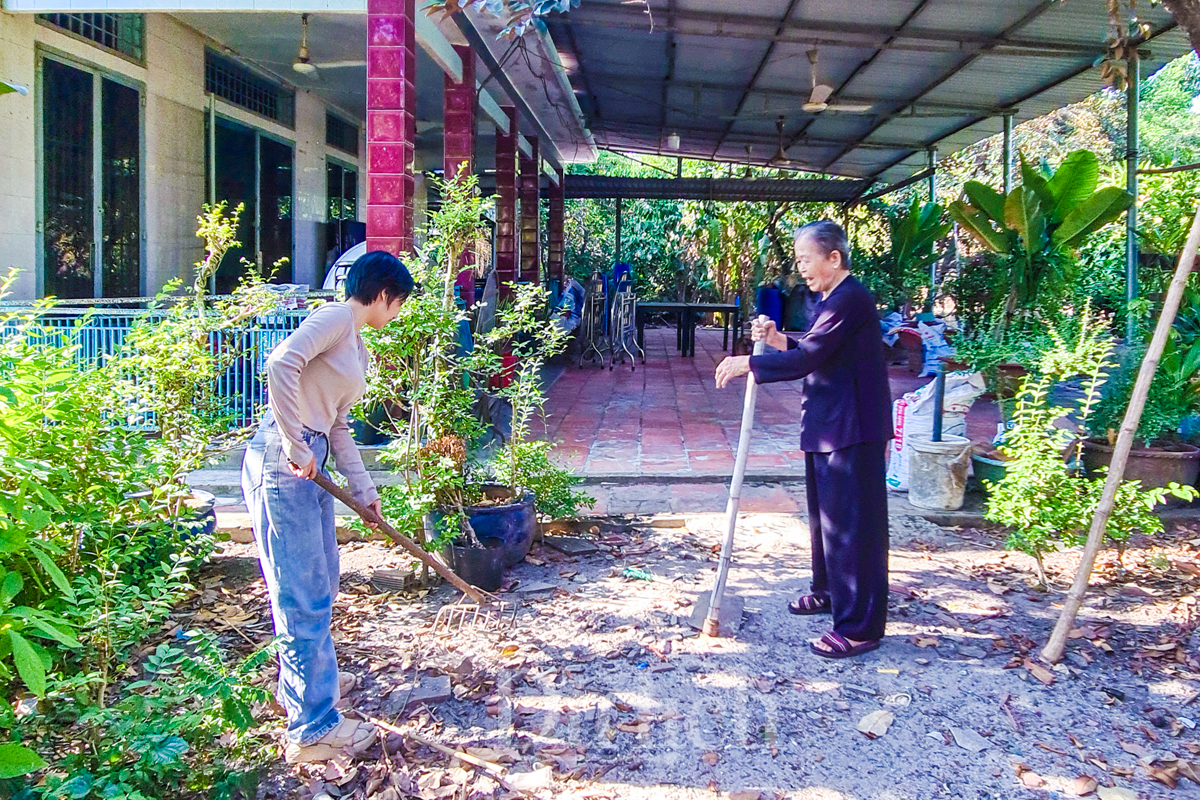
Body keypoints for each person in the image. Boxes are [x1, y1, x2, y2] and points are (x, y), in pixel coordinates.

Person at [242, 250, 413, 763]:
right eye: (399, 302)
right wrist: (294, 441)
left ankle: (305, 685)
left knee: (323, 580)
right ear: (382, 294)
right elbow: (281, 362)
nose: (398, 313)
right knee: (302, 594)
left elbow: (338, 425)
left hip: (311, 461)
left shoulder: (355, 345)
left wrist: (364, 492)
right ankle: (312, 730)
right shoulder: (337, 318)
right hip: (284, 462)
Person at [715, 220, 892, 660]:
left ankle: (860, 626)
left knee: (852, 527)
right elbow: (817, 349)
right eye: (797, 261)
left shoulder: (851, 298)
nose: (802, 269)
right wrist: (777, 341)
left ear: (834, 258)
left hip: (853, 427)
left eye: (806, 260)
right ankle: (830, 590)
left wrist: (749, 365)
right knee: (826, 520)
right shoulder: (831, 299)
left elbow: (811, 357)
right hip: (829, 423)